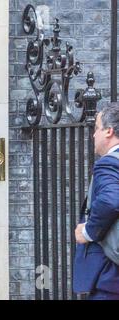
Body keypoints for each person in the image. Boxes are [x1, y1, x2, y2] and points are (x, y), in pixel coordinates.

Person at [74, 103, 119, 300]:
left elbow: (110, 201)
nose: (93, 135)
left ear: (109, 131)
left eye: (96, 128)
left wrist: (87, 231)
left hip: (110, 275)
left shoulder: (109, 163)